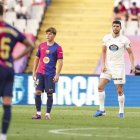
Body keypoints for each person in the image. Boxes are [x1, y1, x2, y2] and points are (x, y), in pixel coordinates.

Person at [0, 2, 34, 140]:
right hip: (8, 68)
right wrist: (15, 58)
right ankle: (3, 136)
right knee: (7, 103)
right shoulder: (12, 30)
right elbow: (30, 45)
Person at [93, 20, 135, 118]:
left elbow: (130, 53)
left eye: (117, 26)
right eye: (114, 26)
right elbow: (103, 52)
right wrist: (103, 64)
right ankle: (102, 110)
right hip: (107, 67)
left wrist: (132, 65)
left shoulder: (124, 40)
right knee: (100, 87)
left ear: (120, 28)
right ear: (112, 27)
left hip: (118, 67)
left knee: (119, 90)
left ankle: (121, 111)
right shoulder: (106, 38)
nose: (115, 28)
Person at [32, 27, 63, 120]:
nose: (48, 36)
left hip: (50, 74)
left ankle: (47, 114)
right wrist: (34, 72)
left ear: (54, 35)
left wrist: (57, 74)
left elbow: (60, 62)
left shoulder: (58, 47)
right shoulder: (41, 46)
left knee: (49, 94)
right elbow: (37, 59)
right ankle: (38, 113)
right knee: (37, 92)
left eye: (50, 34)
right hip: (40, 73)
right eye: (47, 34)